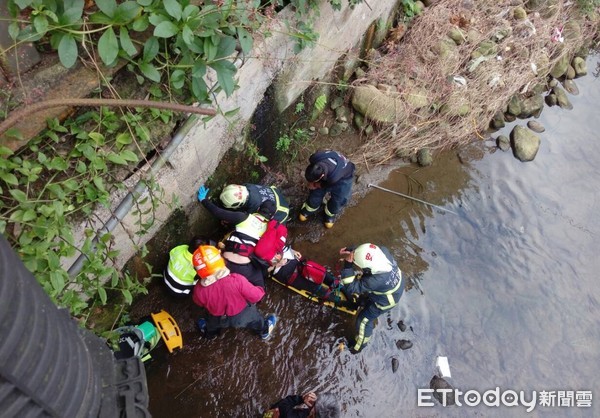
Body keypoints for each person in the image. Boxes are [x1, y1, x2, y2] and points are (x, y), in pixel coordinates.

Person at [192, 245, 277, 340]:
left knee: (211, 325)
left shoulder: (199, 289)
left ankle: (209, 334)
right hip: (242, 315)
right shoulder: (236, 280)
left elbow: (198, 302)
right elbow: (256, 296)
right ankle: (264, 331)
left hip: (216, 317)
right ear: (221, 260)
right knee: (256, 321)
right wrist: (259, 288)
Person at [198, 185, 276, 288]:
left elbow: (218, 212)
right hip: (243, 268)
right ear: (272, 217)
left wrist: (203, 200)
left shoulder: (243, 217)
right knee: (260, 287)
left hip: (223, 260)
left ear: (258, 209)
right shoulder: (268, 230)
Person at [339, 243, 404, 353]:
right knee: (365, 296)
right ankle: (364, 301)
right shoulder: (383, 251)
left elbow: (351, 287)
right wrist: (354, 251)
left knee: (363, 321)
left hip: (385, 301)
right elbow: (369, 252)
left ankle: (358, 346)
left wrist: (348, 266)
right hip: (394, 286)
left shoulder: (375, 281)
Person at [270, 246, 355, 309]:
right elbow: (264, 270)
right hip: (286, 273)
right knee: (315, 288)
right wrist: (277, 264)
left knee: (322, 274)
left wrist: (293, 251)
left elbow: (284, 246)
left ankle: (343, 290)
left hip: (295, 262)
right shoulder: (260, 256)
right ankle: (343, 303)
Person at [298, 150, 355, 228]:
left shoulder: (333, 177)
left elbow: (326, 184)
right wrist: (312, 183)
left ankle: (330, 213)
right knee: (315, 194)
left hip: (344, 177)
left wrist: (315, 185)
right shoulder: (315, 157)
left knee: (339, 199)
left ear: (321, 177)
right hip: (330, 171)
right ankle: (310, 207)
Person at [219, 183, 290, 223]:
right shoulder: (249, 186)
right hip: (276, 195)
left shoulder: (253, 207)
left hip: (281, 215)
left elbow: (246, 220)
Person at [264, 392, 340, 418]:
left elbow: (284, 404)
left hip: (280, 413)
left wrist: (301, 399)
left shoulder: (289, 415)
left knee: (272, 412)